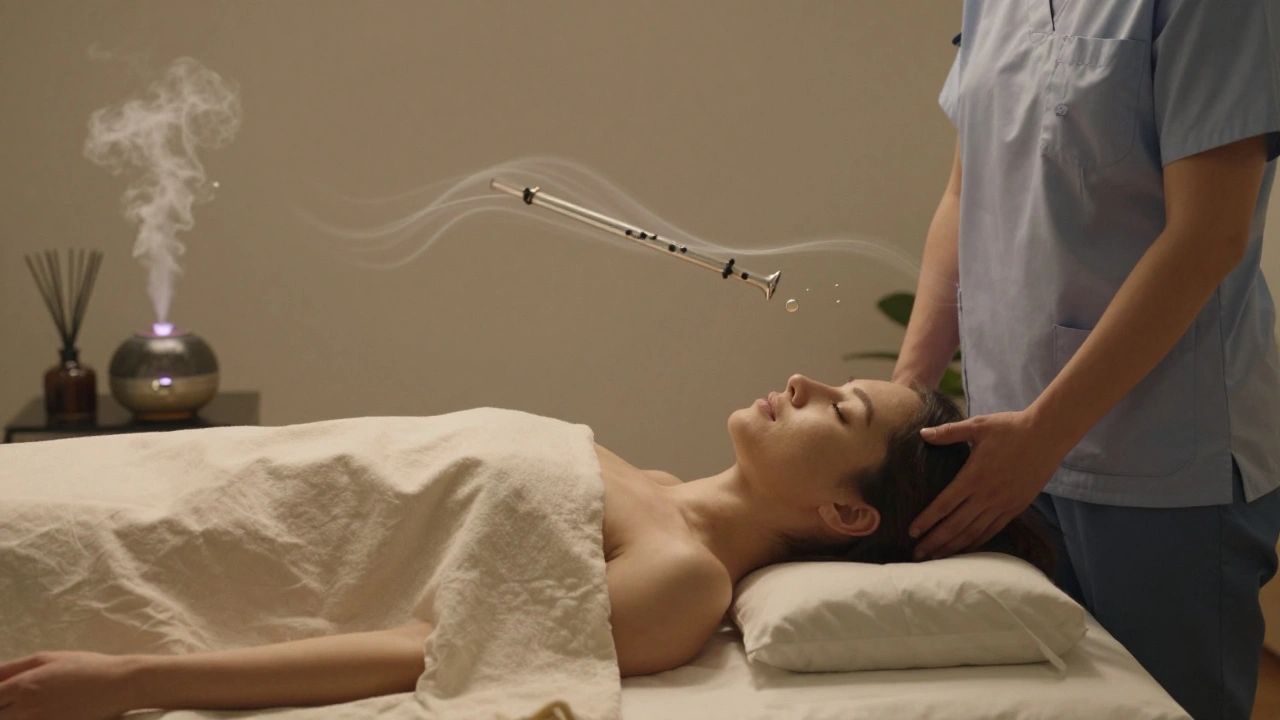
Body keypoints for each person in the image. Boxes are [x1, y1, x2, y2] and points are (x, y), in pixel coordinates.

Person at [0, 375, 1050, 717]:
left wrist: (129, 679)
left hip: (197, 540)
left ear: (848, 517)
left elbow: (427, 651)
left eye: (842, 411)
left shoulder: (682, 580)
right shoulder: (649, 483)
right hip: (221, 474)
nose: (806, 383)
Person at [894, 3, 1280, 719]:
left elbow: (1209, 235)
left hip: (1162, 462)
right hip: (1006, 446)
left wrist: (1043, 434)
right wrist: (903, 401)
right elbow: (964, 194)